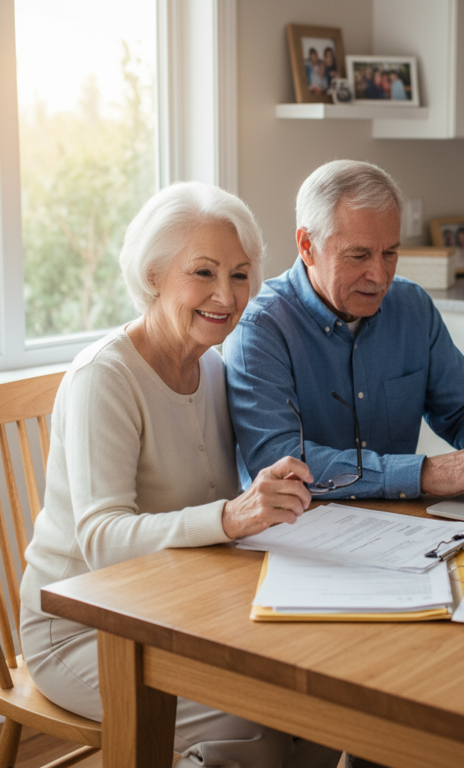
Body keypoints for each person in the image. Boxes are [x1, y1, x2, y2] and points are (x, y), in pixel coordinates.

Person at [19, 182, 340, 768]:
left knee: (325, 701)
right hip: (81, 627)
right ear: (153, 275)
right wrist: (231, 515)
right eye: (204, 272)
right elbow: (100, 539)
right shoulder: (105, 377)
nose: (226, 295)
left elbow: (222, 507)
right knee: (257, 729)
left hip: (174, 611)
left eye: (241, 274)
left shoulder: (212, 367)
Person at [225, 160, 464, 502]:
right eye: (358, 255)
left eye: (390, 253)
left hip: (404, 529)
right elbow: (278, 461)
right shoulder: (260, 327)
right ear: (307, 246)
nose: (380, 276)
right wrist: (423, 473)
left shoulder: (412, 306)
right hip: (298, 532)